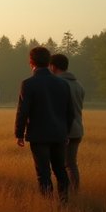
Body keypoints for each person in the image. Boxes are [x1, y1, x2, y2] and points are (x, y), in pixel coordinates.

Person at [15, 47, 74, 202]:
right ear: (49, 62)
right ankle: (64, 203)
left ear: (31, 62)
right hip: (59, 134)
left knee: (43, 173)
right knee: (61, 170)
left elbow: (23, 111)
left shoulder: (28, 84)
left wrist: (19, 134)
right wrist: (66, 132)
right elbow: (70, 112)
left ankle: (48, 205)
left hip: (38, 135)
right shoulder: (63, 84)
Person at [49, 53, 84, 193]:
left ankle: (67, 192)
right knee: (71, 164)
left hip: (63, 131)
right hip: (77, 129)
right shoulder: (78, 85)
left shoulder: (57, 84)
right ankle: (75, 191)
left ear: (53, 66)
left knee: (61, 165)